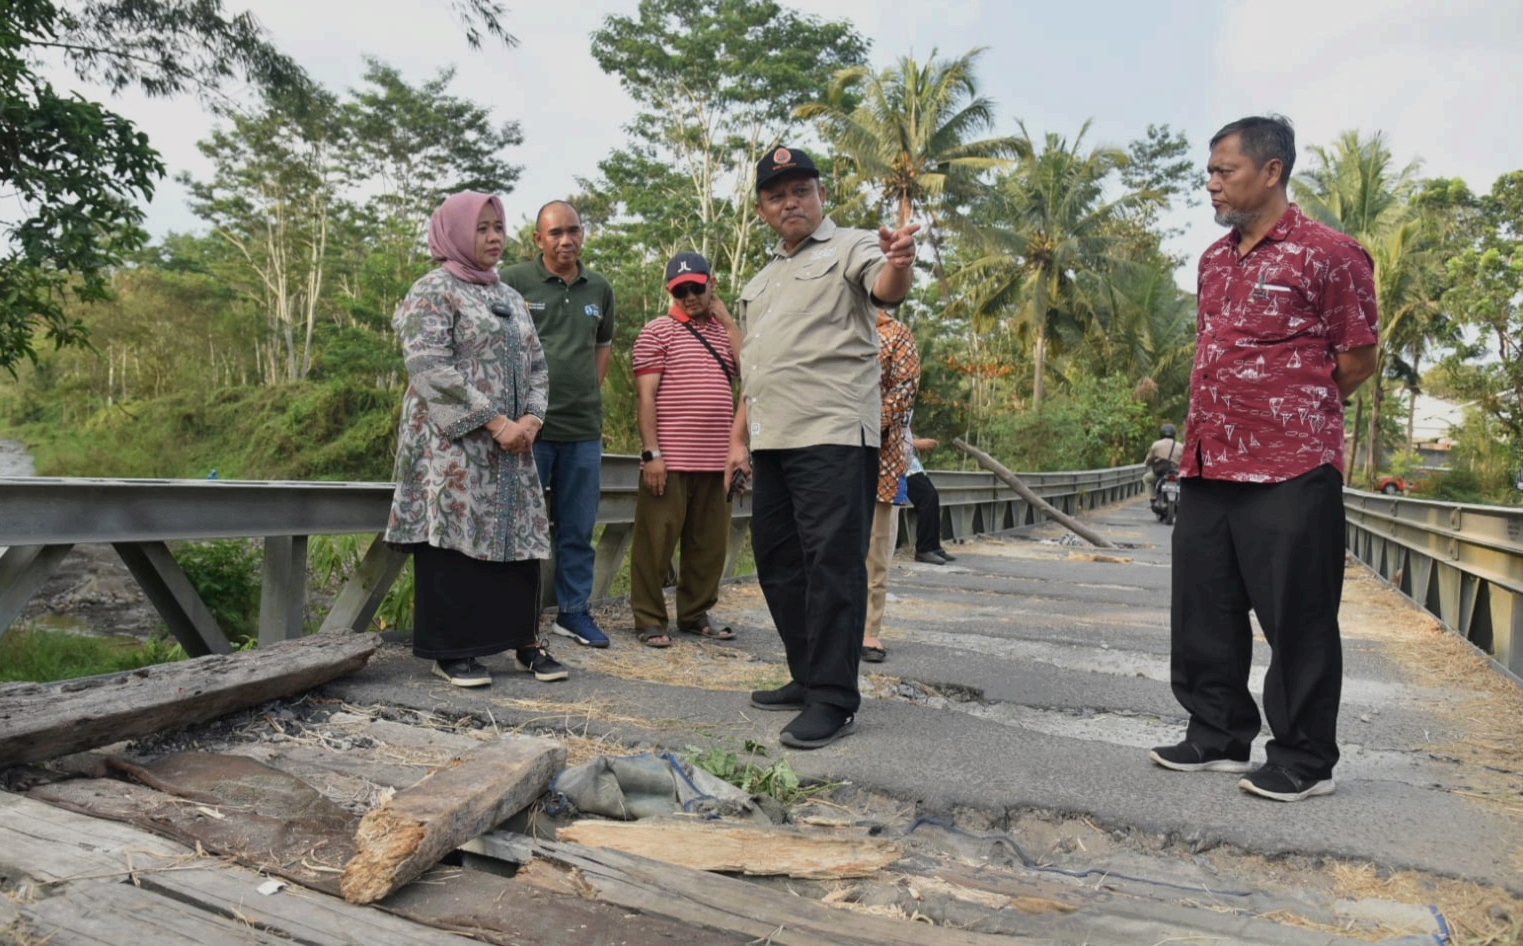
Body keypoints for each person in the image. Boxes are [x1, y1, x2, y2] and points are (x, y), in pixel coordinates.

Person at [1149, 115, 1377, 802]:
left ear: (1270, 171)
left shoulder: (1331, 253)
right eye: (1211, 170)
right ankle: (1215, 735)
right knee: (1203, 609)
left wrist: (1291, 411)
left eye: (1224, 170)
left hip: (1290, 466)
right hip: (1207, 460)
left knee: (1296, 617)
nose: (1210, 182)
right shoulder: (1213, 259)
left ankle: (1303, 760)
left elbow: (1357, 357)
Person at [726, 145, 920, 749]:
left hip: (833, 436)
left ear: (821, 196)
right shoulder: (760, 280)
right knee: (779, 563)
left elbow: (886, 286)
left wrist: (900, 260)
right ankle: (809, 675)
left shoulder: (853, 246)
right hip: (773, 441)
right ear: (762, 209)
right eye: (778, 195)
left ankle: (835, 697)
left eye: (802, 190)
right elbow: (756, 369)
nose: (792, 202)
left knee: (832, 567)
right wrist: (741, 440)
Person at [385, 191, 569, 687]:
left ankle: (524, 642)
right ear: (456, 233)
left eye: (498, 226)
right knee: (455, 537)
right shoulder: (432, 290)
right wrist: (494, 421)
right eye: (481, 228)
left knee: (517, 536)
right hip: (453, 445)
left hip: (512, 446)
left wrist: (531, 418)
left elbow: (536, 363)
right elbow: (429, 367)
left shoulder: (507, 294)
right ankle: (454, 651)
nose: (493, 237)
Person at [503, 201, 616, 649]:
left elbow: (601, 350)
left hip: (583, 428)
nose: (566, 240)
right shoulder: (514, 281)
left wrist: (582, 393)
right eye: (555, 233)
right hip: (530, 430)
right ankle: (516, 619)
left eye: (573, 231)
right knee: (521, 527)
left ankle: (573, 612)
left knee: (578, 527)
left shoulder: (599, 288)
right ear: (538, 239)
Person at [628, 251, 743, 647]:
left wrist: (727, 321)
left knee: (708, 544)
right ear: (670, 292)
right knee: (655, 542)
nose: (691, 296)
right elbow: (646, 398)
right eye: (681, 291)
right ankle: (648, 618)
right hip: (671, 459)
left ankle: (695, 614)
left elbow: (753, 374)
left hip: (718, 459)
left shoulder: (725, 333)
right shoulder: (656, 331)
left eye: (697, 287)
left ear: (713, 283)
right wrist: (651, 454)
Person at [862, 310, 920, 663]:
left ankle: (869, 631)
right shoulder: (832, 324)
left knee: (876, 547)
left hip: (880, 455)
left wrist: (864, 424)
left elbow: (903, 392)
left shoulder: (897, 335)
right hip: (827, 453)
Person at [904, 429, 956, 565]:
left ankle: (933, 546)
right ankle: (923, 549)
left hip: (911, 462)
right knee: (926, 498)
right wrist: (915, 443)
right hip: (899, 463)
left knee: (932, 497)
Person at [1142, 423, 1185, 495]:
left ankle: (1152, 498)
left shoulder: (1156, 444)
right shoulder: (1180, 446)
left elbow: (1149, 458)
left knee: (1146, 479)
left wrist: (1147, 463)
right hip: (1176, 473)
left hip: (1161, 472)